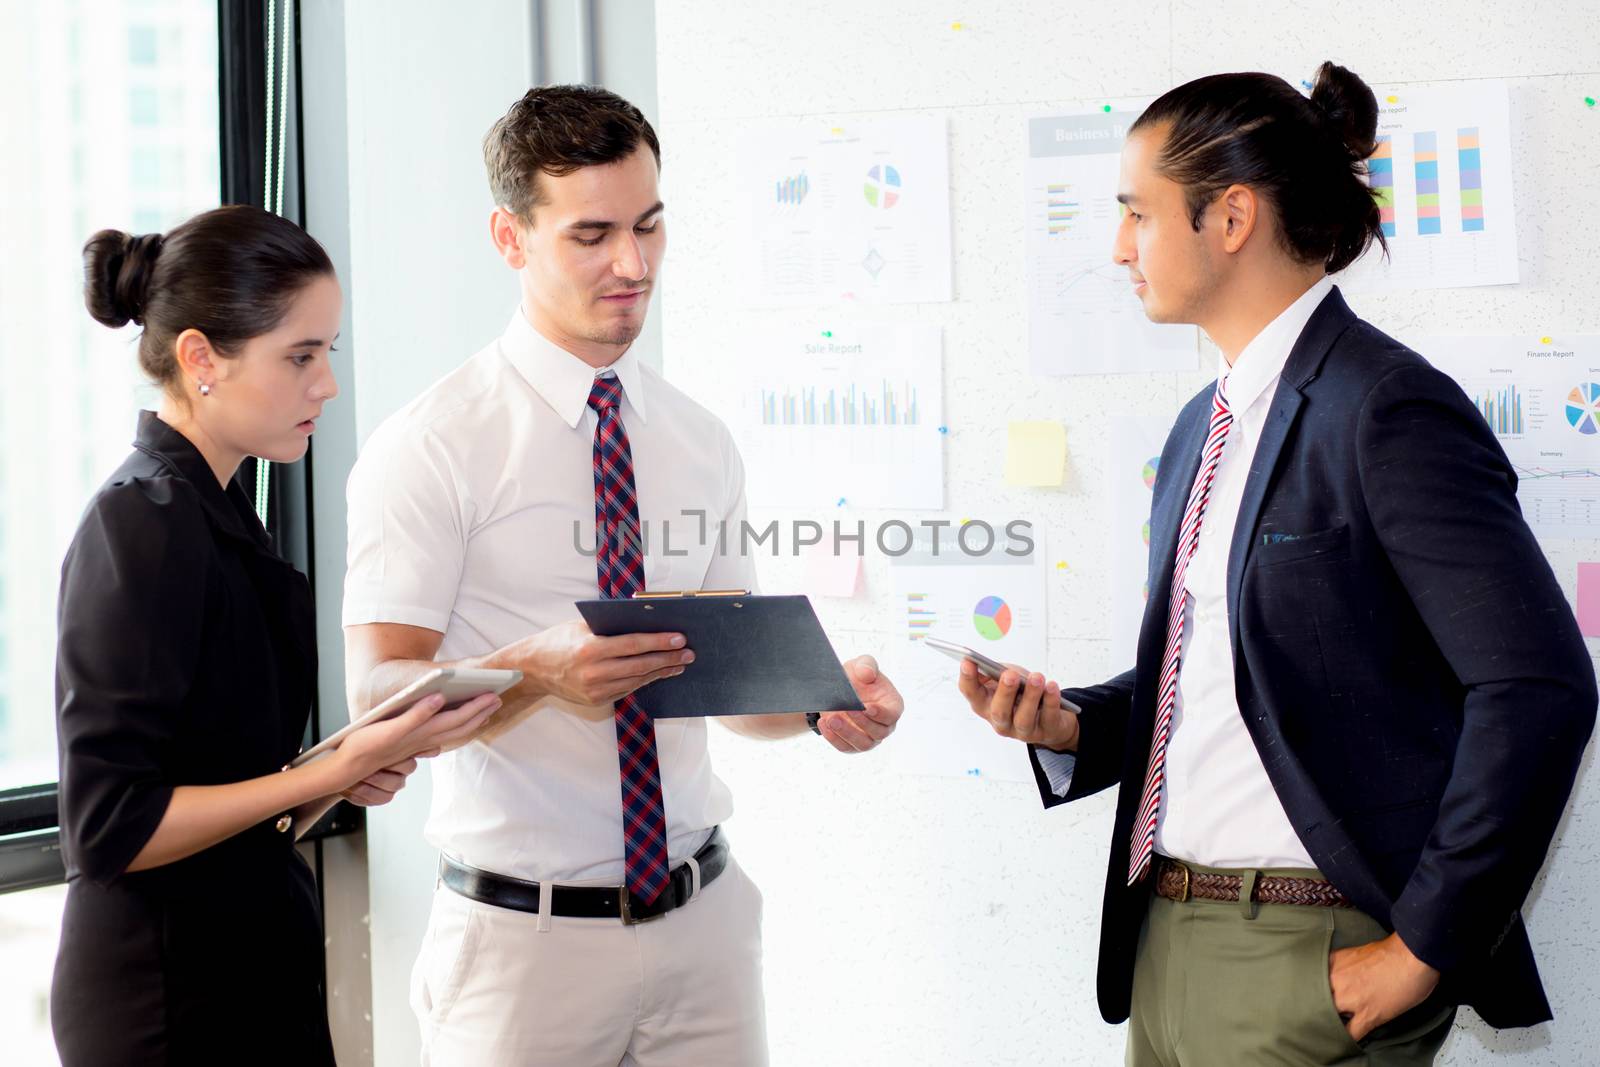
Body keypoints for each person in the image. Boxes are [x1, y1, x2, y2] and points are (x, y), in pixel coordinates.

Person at [959, 63, 1596, 1065]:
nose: (1119, 246)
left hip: (1305, 955)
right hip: (1164, 941)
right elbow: (1224, 670)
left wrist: (1422, 947)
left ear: (1232, 217)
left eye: (1137, 211)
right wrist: (1075, 723)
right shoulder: (1197, 428)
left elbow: (1538, 684)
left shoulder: (1385, 406)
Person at [341, 85, 905, 1067]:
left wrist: (815, 701)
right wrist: (535, 669)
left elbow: (727, 691)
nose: (632, 265)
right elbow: (377, 692)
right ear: (510, 239)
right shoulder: (431, 444)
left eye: (649, 226)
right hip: (524, 951)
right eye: (591, 234)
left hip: (705, 928)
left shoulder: (697, 438)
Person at [51, 205, 502, 1066]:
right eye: (300, 356)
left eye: (329, 351)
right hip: (166, 994)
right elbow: (111, 827)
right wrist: (328, 770)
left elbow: (216, 779)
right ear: (199, 358)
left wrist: (338, 774)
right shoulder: (138, 523)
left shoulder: (216, 514)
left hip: (249, 960)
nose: (327, 384)